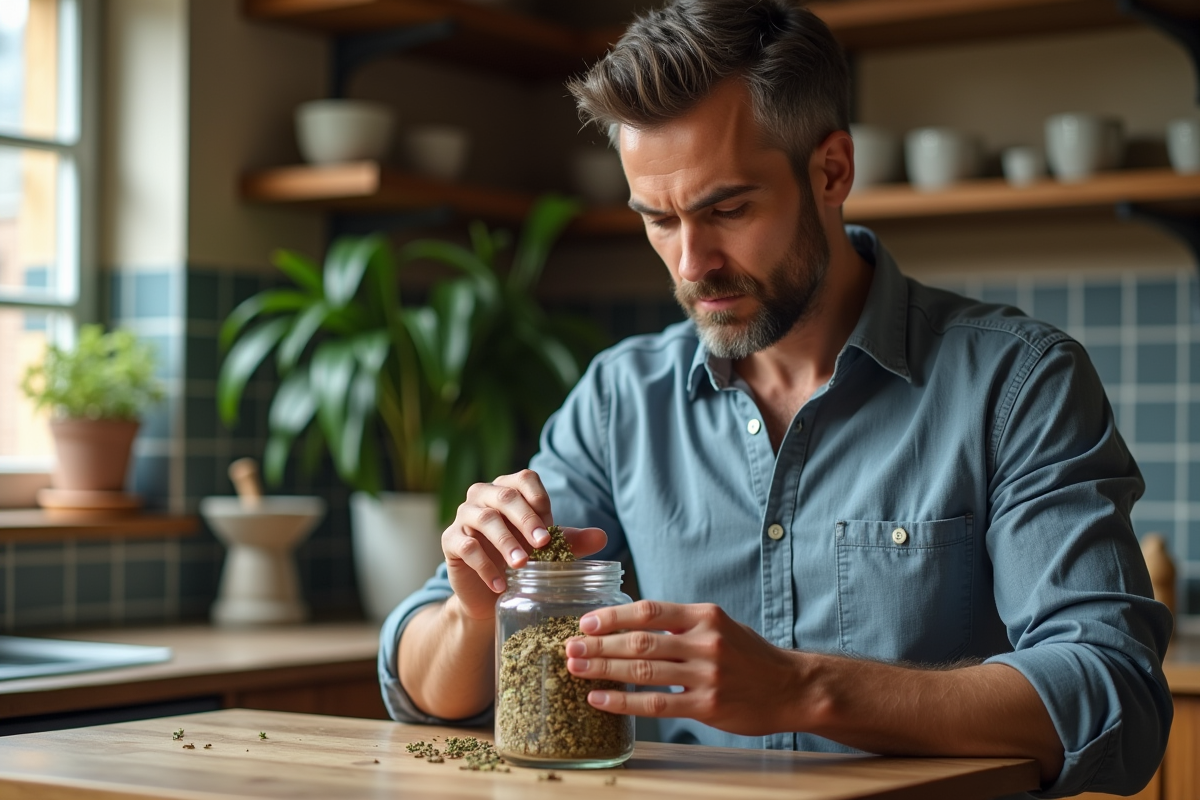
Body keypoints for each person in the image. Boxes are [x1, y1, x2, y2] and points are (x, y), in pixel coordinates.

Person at [377, 1, 1173, 796]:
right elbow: (419, 685)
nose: (691, 263)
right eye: (657, 219)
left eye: (727, 210)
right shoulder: (620, 401)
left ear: (831, 171)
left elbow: (1114, 695)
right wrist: (474, 613)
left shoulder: (1017, 384)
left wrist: (802, 689)